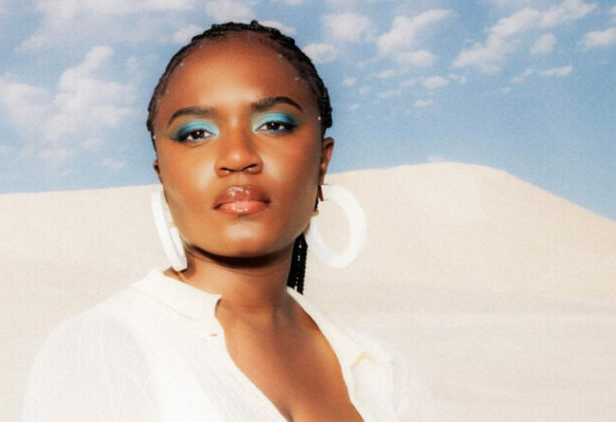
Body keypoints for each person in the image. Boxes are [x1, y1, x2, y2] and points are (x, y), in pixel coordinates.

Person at [22, 21, 442, 421]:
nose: (238, 156)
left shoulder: (382, 371)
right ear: (163, 175)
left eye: (274, 124)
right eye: (196, 133)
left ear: (322, 161)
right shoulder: (104, 347)